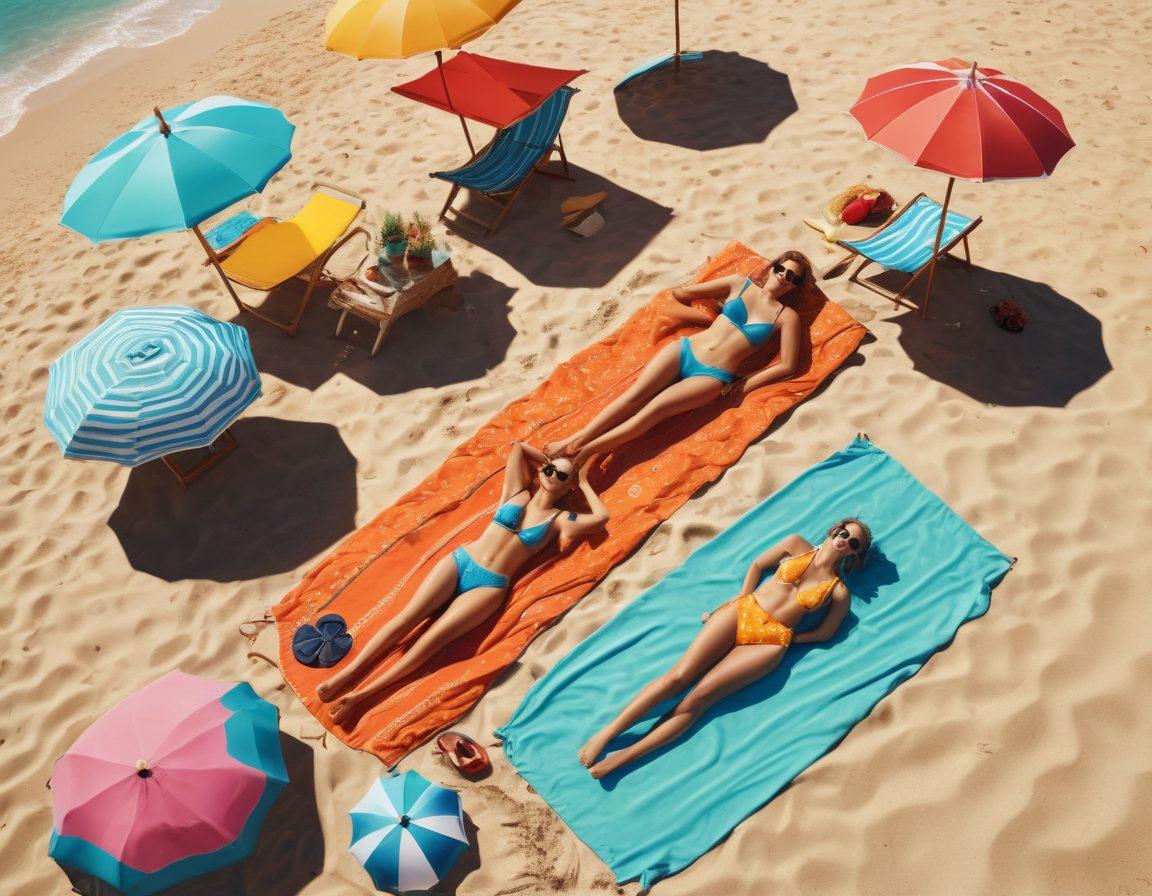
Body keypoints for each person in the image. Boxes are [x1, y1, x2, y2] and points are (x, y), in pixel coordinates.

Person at [319, 442, 609, 723]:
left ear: (569, 487)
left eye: (562, 476)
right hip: (461, 562)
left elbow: (601, 518)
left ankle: (361, 694)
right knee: (407, 618)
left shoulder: (560, 519)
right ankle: (346, 676)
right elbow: (519, 447)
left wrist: (583, 481)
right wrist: (553, 460)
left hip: (489, 586)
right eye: (548, 470)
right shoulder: (516, 493)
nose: (551, 476)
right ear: (540, 470)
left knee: (430, 642)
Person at [578, 518, 871, 778]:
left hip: (770, 642)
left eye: (853, 542)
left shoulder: (838, 590)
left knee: (696, 702)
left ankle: (624, 757)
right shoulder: (796, 544)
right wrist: (740, 598)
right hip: (745, 609)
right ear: (835, 530)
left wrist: (792, 639)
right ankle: (607, 734)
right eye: (844, 533)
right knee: (677, 678)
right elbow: (758, 564)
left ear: (855, 553)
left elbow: (826, 632)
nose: (845, 541)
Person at [543, 252, 813, 466]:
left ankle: (581, 452)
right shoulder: (738, 283)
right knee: (632, 397)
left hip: (712, 376)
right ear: (772, 267)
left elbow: (787, 365)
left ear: (796, 286)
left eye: (793, 277)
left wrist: (745, 384)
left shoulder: (787, 316)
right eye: (781, 269)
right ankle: (573, 439)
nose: (784, 277)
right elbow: (682, 294)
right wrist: (710, 316)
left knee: (650, 413)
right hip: (686, 349)